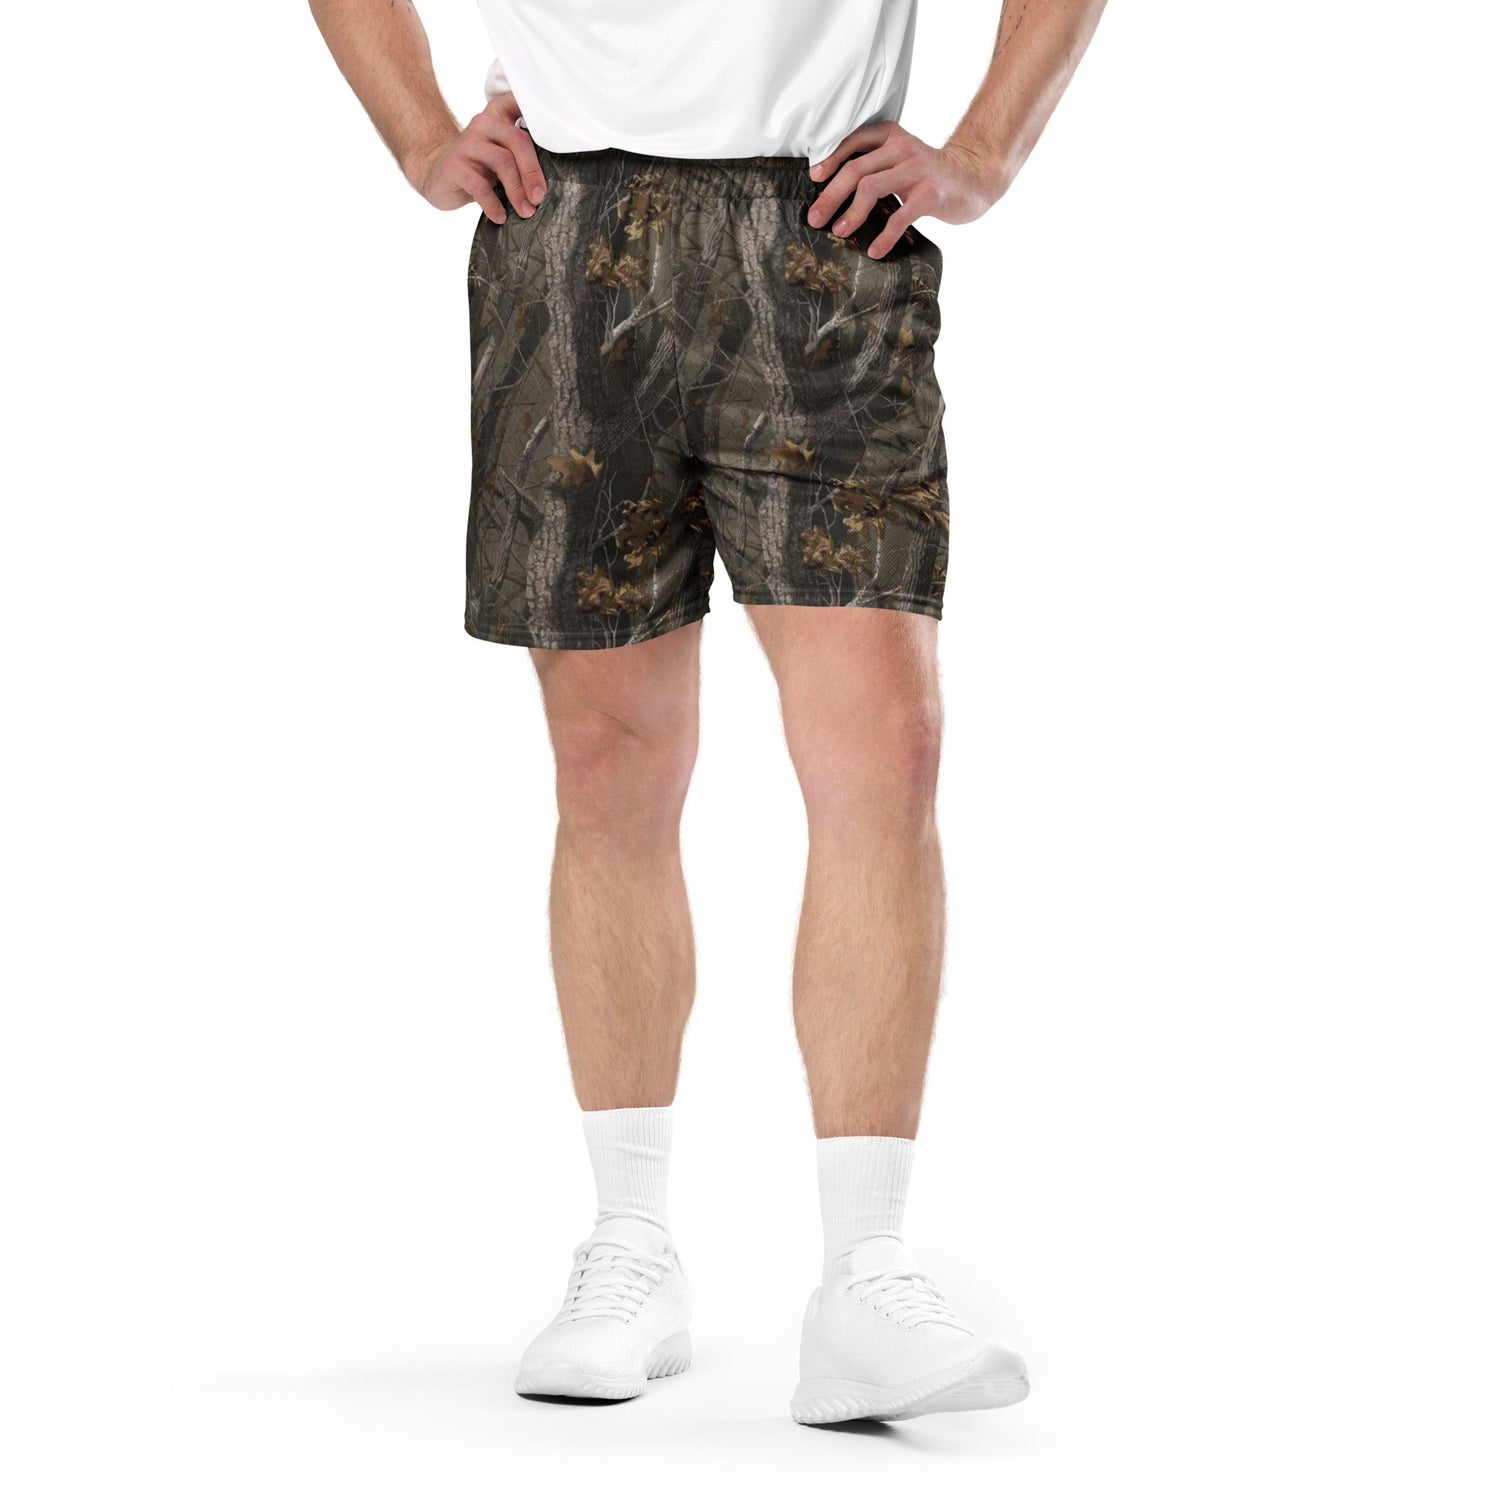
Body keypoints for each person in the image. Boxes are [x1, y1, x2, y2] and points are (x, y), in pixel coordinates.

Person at [308, 0, 1108, 1424]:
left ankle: (866, 1273)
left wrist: (987, 149)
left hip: (825, 228)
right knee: (608, 764)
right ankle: (629, 1248)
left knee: (887, 748)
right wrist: (422, 135)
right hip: (565, 225)